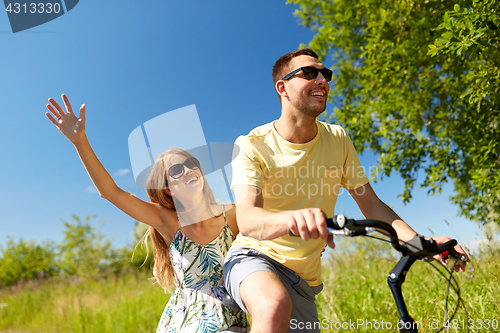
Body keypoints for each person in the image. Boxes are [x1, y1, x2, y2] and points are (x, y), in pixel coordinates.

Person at [223, 49, 469, 333]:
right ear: (283, 88)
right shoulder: (252, 144)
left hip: (304, 279)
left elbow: (370, 203)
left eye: (325, 75)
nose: (322, 80)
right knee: (273, 305)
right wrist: (293, 219)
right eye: (309, 73)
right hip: (253, 257)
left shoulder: (337, 138)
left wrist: (419, 242)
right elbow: (248, 219)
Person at [45, 94, 248, 333]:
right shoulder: (168, 222)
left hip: (231, 320)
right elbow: (111, 192)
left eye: (192, 163)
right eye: (176, 169)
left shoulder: (232, 215)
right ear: (167, 188)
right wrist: (80, 141)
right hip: (187, 325)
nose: (188, 170)